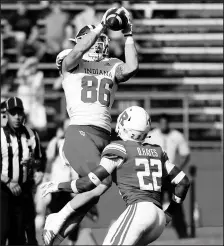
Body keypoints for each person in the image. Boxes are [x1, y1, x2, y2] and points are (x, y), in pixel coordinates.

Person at [41, 6, 138, 245]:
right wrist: (100, 27)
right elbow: (79, 50)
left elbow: (132, 68)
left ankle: (57, 236)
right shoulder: (68, 60)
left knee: (92, 195)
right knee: (101, 183)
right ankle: (57, 216)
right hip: (79, 132)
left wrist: (128, 34)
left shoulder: (111, 64)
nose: (80, 43)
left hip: (105, 135)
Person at [41, 106, 190, 245]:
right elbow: (183, 182)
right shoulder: (158, 151)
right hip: (158, 219)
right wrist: (169, 213)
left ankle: (56, 220)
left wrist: (58, 186)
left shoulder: (119, 148)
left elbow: (89, 183)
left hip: (140, 211)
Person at [0, 97, 43, 245]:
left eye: (20, 113)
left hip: (23, 190)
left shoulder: (31, 134)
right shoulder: (0, 135)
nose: (17, 117)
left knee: (19, 236)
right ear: (6, 114)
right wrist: (7, 181)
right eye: (13, 113)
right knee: (2, 231)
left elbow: (39, 161)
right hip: (3, 191)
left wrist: (33, 163)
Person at [144, 113, 191, 238]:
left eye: (166, 123)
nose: (164, 125)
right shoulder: (152, 136)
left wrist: (178, 169)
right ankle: (147, 233)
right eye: (162, 123)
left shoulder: (177, 136)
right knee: (152, 205)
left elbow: (185, 154)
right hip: (156, 175)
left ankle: (183, 234)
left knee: (177, 204)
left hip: (171, 176)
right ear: (159, 124)